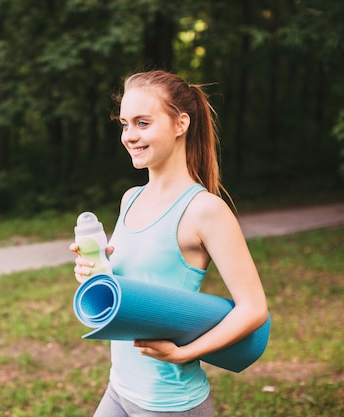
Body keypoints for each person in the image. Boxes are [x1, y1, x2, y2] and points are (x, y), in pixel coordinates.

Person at [70, 70, 268, 417]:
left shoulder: (205, 210)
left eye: (143, 123)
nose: (130, 136)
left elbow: (253, 309)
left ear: (181, 124)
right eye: (125, 124)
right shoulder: (130, 198)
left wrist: (185, 353)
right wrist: (93, 271)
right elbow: (133, 291)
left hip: (168, 403)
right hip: (120, 388)